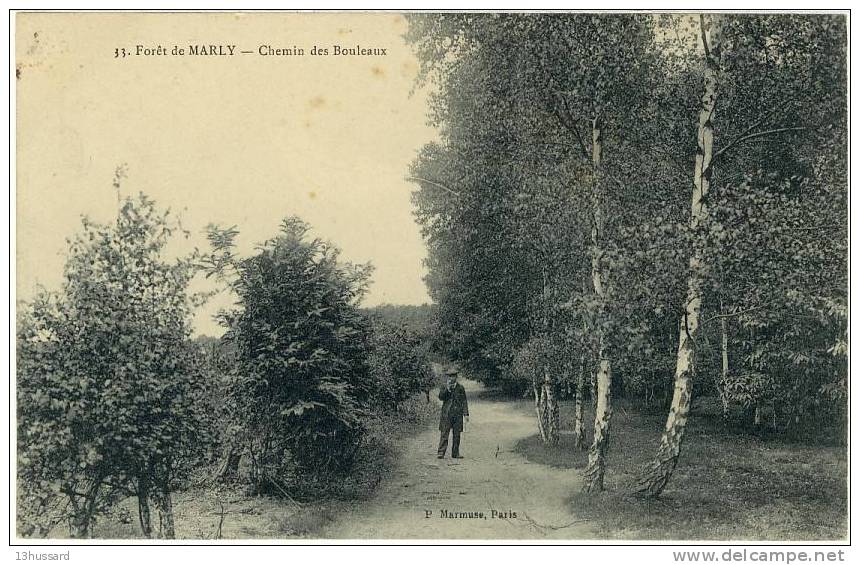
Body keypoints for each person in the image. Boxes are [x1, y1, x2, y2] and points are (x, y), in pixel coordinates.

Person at [437, 367, 469, 459]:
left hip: (458, 414)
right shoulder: (444, 387)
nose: (451, 378)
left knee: (457, 434)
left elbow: (464, 401)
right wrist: (447, 389)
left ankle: (455, 453)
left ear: (456, 377)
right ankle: (441, 453)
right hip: (447, 414)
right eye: (449, 376)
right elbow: (441, 397)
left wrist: (466, 414)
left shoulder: (460, 388)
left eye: (453, 376)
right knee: (444, 434)